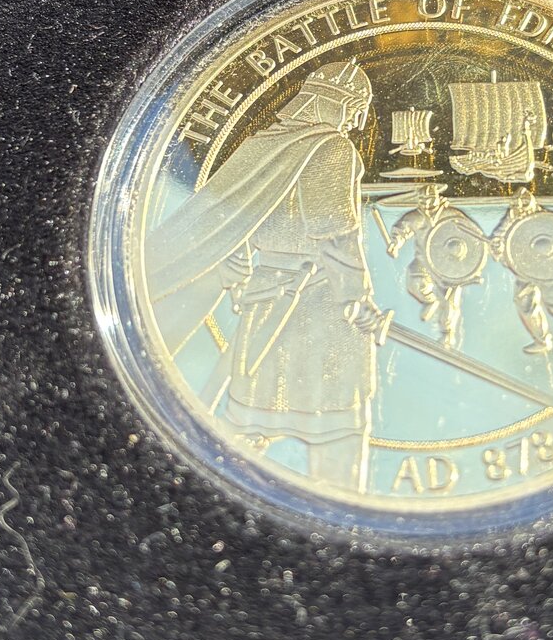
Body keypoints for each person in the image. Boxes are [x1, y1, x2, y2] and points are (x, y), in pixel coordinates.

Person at [146, 59, 385, 492]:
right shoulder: (332, 149)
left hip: (263, 302)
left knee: (244, 435)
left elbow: (232, 215)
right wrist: (357, 297)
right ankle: (344, 517)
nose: (355, 122)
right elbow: (335, 234)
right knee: (338, 433)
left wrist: (240, 267)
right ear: (336, 103)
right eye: (354, 109)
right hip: (321, 307)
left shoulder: (264, 143)